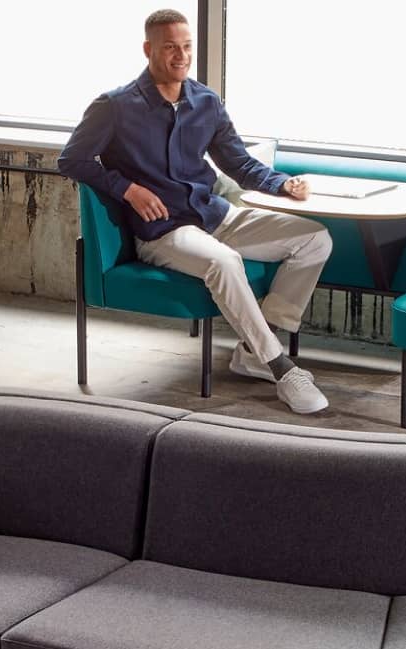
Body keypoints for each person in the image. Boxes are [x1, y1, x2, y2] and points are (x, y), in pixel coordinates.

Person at [58, 9, 334, 415]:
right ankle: (280, 367)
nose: (181, 55)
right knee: (225, 262)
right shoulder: (114, 106)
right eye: (170, 47)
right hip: (164, 231)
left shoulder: (206, 101)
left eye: (187, 47)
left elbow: (238, 163)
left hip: (215, 215)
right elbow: (72, 160)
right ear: (148, 49)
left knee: (314, 239)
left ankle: (256, 347)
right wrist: (128, 189)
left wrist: (282, 184)